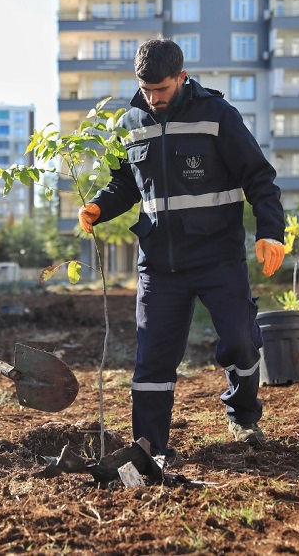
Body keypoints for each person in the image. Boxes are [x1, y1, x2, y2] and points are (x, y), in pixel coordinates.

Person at [78, 38, 286, 456]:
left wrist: (271, 231)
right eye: (146, 89)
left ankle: (243, 417)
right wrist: (100, 205)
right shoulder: (130, 121)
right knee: (152, 360)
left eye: (162, 90)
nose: (153, 99)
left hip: (218, 257)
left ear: (181, 77)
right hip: (159, 263)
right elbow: (126, 184)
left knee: (242, 344)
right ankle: (151, 447)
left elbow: (259, 177)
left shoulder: (218, 115)